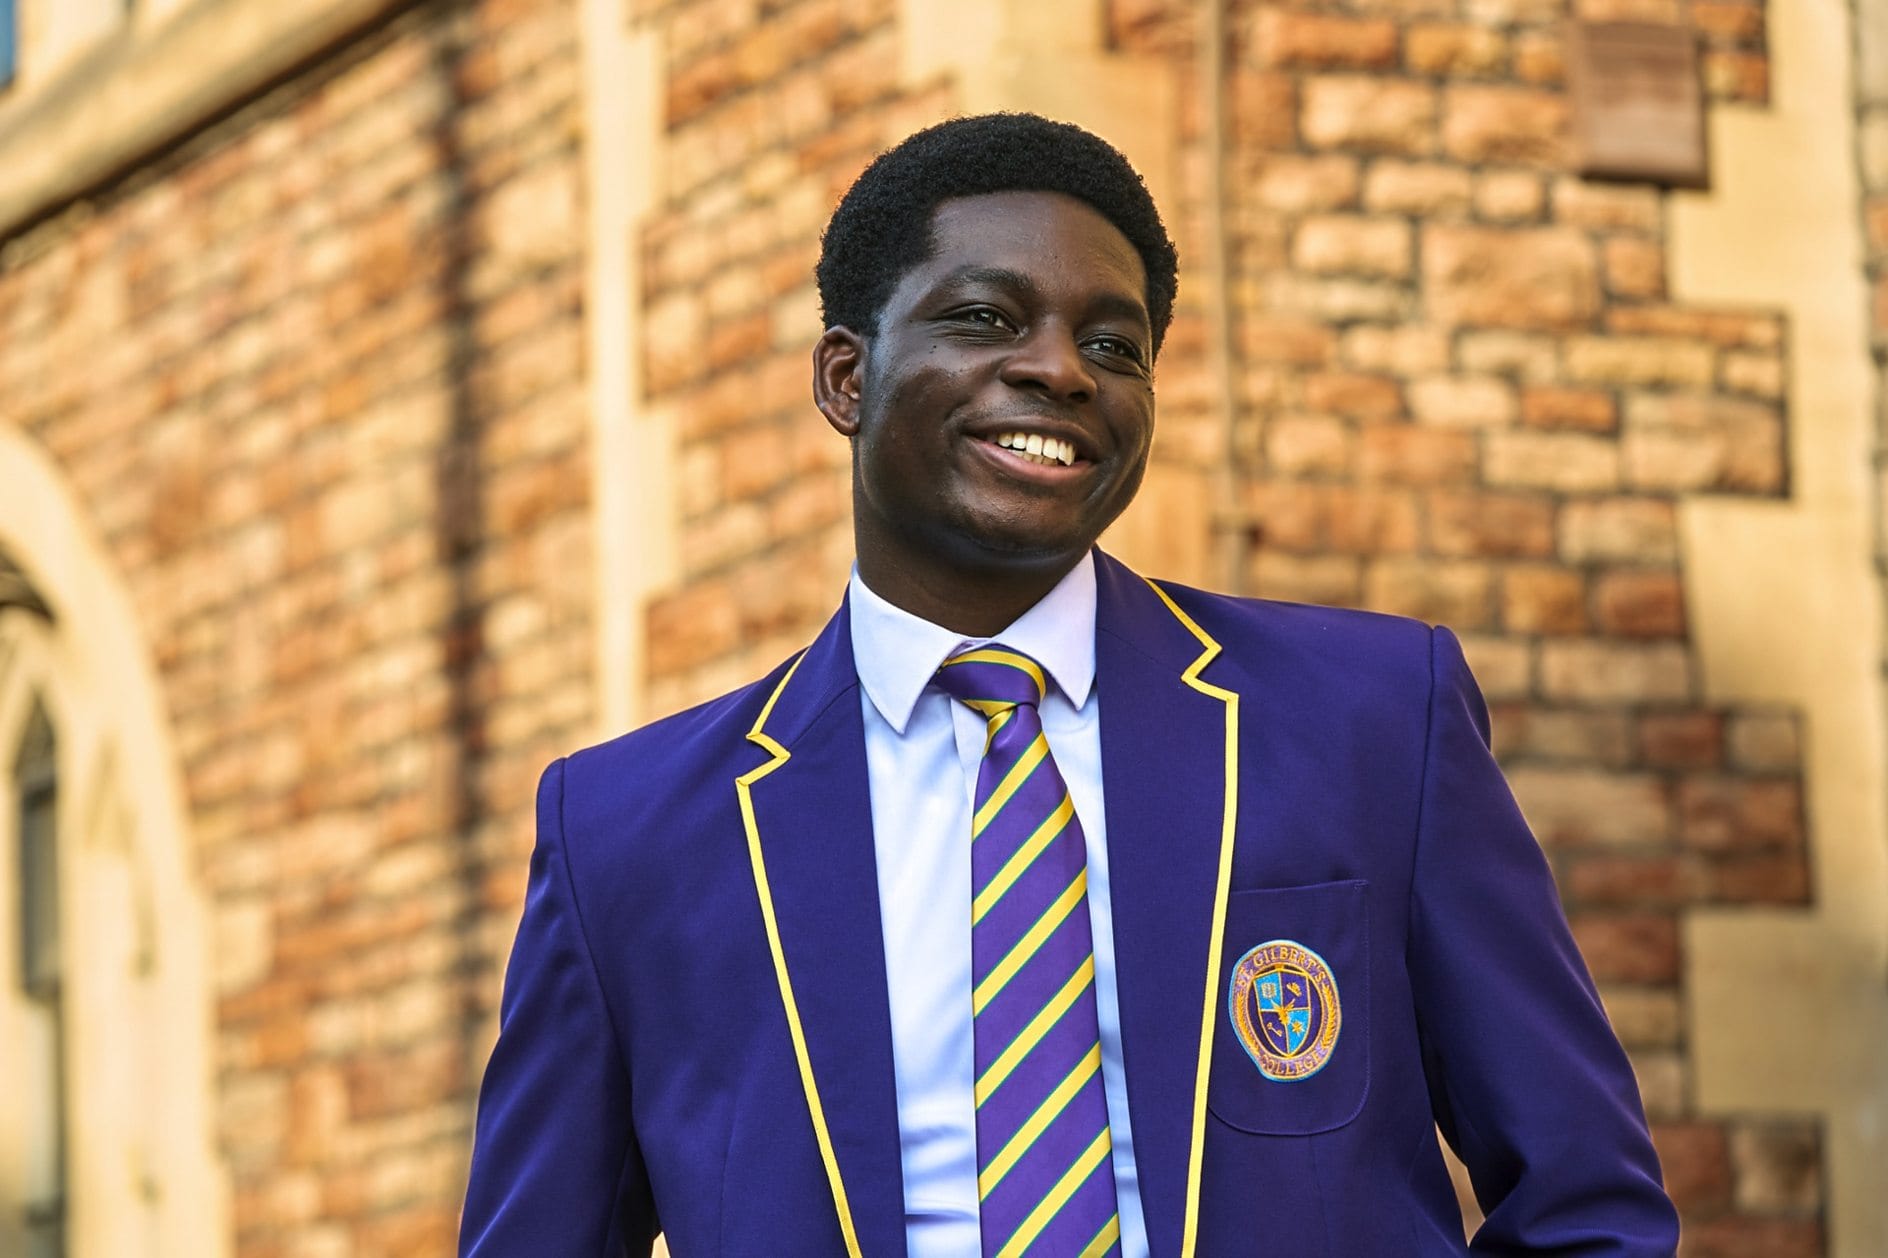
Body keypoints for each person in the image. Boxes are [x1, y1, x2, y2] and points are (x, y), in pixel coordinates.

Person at [459, 113, 1679, 1257]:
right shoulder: (625, 836)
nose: (1059, 369)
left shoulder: (1370, 719)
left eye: (1111, 345)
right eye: (985, 317)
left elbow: (1585, 1199)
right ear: (844, 378)